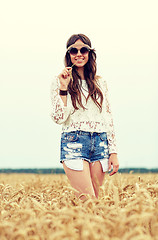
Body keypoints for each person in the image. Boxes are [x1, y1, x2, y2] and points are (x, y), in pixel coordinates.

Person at [50, 33, 119, 200]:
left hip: (100, 143)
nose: (79, 54)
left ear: (90, 53)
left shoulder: (100, 83)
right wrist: (64, 88)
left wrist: (113, 152)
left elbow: (107, 118)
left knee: (96, 202)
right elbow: (59, 118)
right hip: (74, 142)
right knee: (87, 201)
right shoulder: (59, 81)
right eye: (74, 50)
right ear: (68, 55)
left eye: (83, 50)